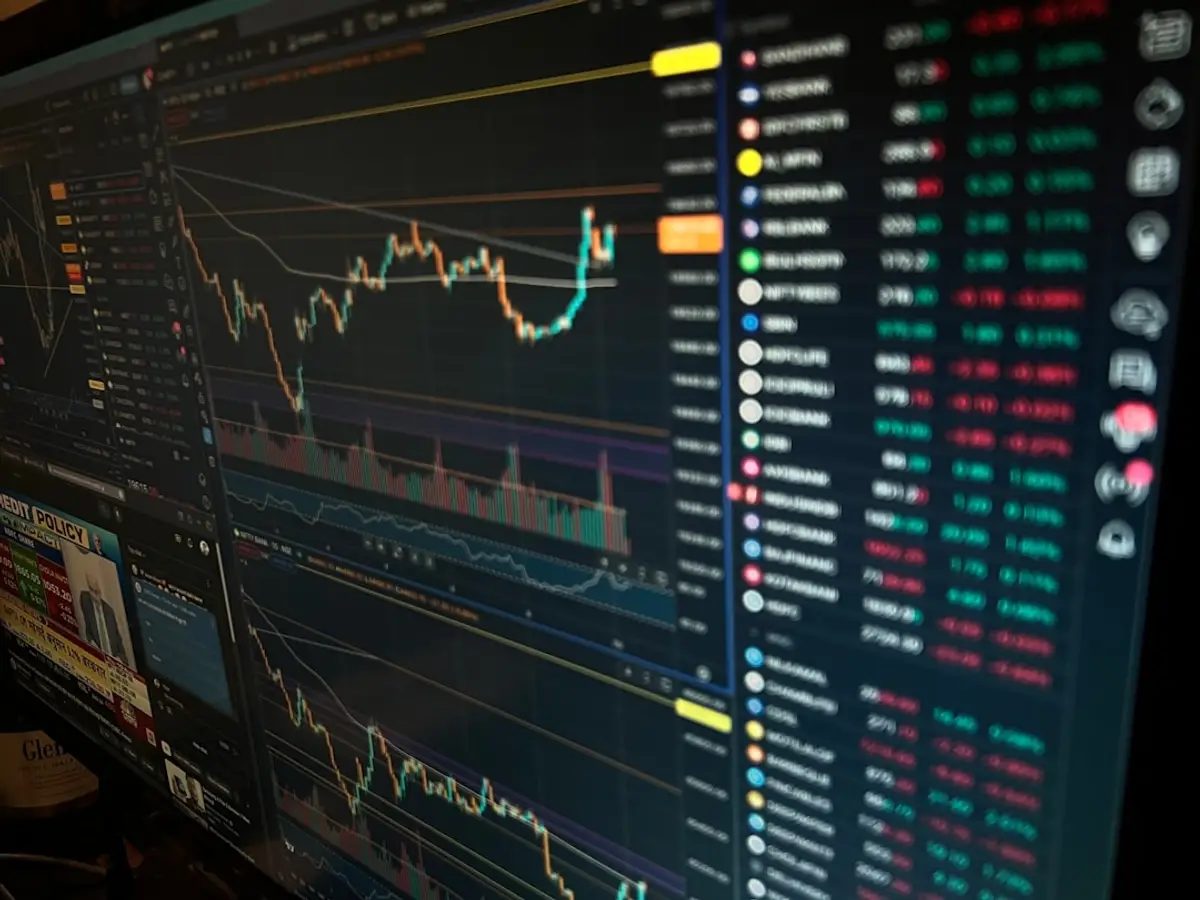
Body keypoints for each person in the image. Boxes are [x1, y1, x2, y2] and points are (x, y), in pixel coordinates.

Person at [77, 572, 129, 666]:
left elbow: (119, 642)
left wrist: (120, 660)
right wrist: (91, 644)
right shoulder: (85, 601)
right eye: (92, 591)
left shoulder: (109, 612)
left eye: (97, 591)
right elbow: (88, 629)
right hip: (97, 661)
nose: (96, 597)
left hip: (112, 662)